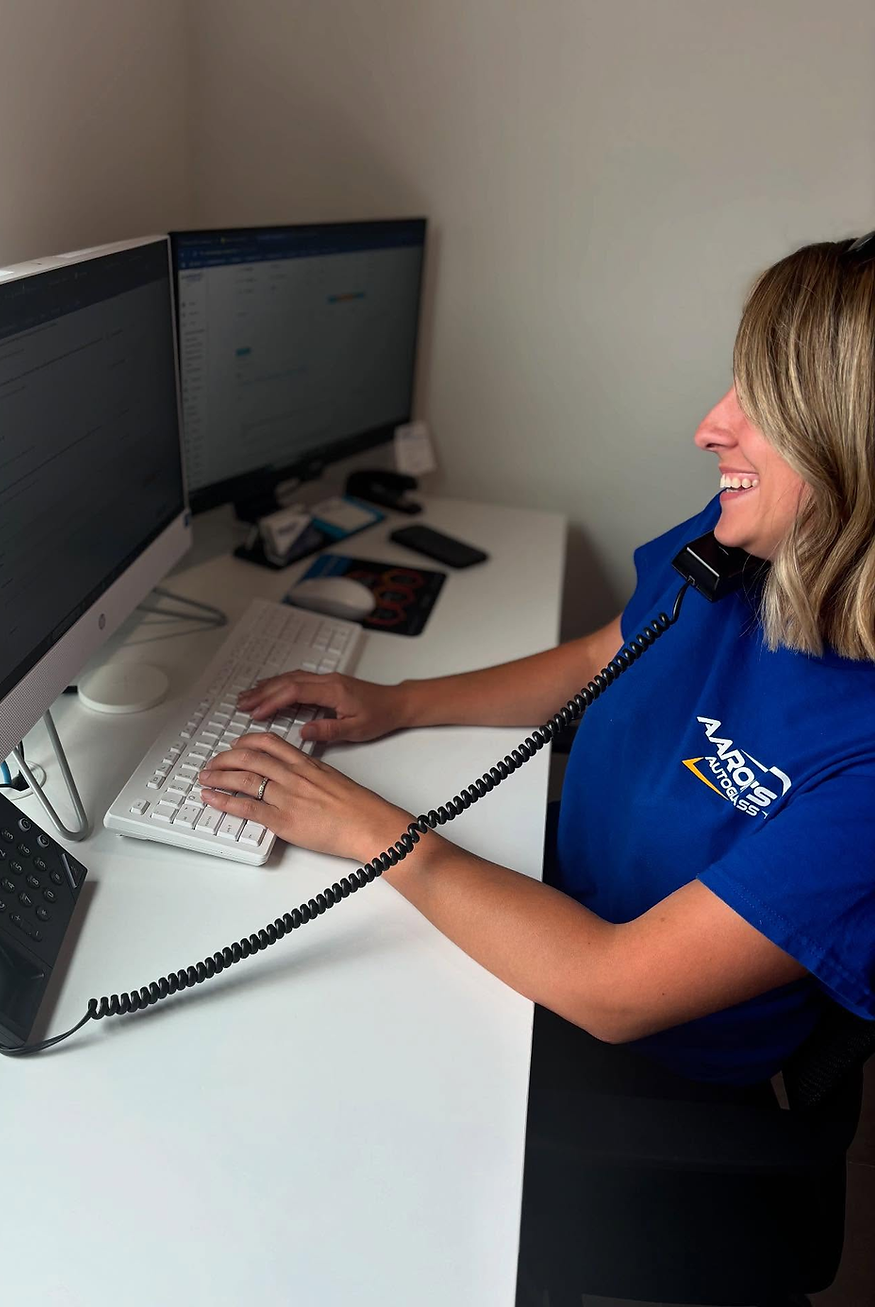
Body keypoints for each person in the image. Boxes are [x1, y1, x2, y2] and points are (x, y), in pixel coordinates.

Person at [198, 235, 875, 1087]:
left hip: (642, 1052)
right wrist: (400, 702)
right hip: (565, 903)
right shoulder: (746, 546)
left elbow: (613, 989)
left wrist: (370, 830)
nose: (710, 429)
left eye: (767, 407)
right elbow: (609, 652)